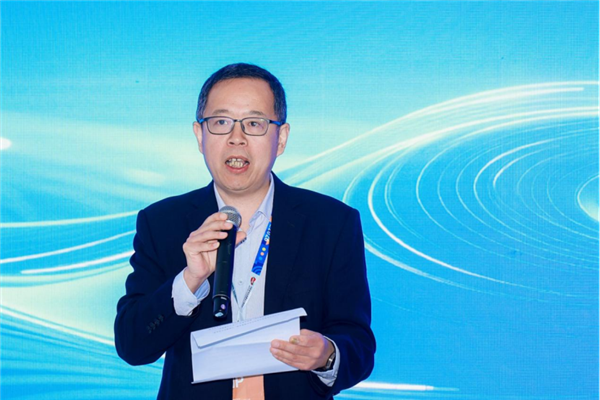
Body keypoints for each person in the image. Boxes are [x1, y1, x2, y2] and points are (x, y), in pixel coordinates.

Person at [114, 63, 375, 399]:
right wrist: (190, 280)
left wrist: (327, 355)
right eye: (221, 122)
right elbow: (132, 345)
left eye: (254, 123)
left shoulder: (331, 223)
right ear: (200, 135)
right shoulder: (162, 222)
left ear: (281, 138)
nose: (236, 138)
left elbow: (358, 343)